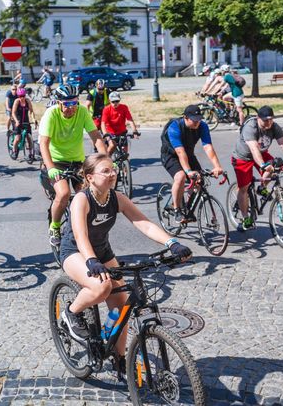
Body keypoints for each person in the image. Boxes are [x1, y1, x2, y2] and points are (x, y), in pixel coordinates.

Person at [59, 153, 193, 362]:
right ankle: (72, 313)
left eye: (113, 169)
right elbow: (80, 235)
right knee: (101, 287)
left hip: (103, 253)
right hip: (75, 252)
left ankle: (119, 359)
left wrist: (172, 243)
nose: (112, 174)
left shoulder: (117, 198)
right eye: (105, 171)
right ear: (90, 177)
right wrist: (92, 261)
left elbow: (144, 223)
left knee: (121, 309)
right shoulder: (81, 199)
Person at [39, 84, 107, 247]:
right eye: (67, 104)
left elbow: (96, 137)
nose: (71, 108)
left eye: (74, 103)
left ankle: (85, 225)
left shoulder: (82, 111)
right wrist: (51, 168)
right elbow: (43, 143)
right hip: (56, 161)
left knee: (88, 194)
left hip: (77, 162)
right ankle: (55, 226)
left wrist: (106, 161)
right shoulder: (51, 114)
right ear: (58, 103)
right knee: (63, 193)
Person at [231, 105, 283, 231]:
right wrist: (263, 165)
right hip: (243, 157)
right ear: (258, 118)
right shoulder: (251, 127)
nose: (268, 123)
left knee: (277, 165)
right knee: (244, 187)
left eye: (270, 119)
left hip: (261, 153)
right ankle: (245, 218)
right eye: (265, 120)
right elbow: (254, 149)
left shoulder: (274, 126)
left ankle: (261, 187)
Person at [160, 105, 224, 223]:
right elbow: (180, 151)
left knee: (199, 181)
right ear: (185, 117)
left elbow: (208, 147)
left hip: (188, 154)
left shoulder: (202, 126)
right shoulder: (174, 127)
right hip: (170, 155)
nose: (197, 122)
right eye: (194, 120)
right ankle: (176, 210)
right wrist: (188, 171)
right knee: (180, 176)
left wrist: (217, 166)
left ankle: (187, 208)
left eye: (199, 119)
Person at [100, 91, 139, 156]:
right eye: (113, 101)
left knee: (125, 152)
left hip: (122, 132)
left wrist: (135, 131)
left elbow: (130, 120)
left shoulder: (124, 107)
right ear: (109, 101)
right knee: (112, 146)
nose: (115, 103)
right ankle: (106, 159)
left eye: (117, 101)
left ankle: (124, 161)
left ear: (120, 100)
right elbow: (103, 123)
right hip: (111, 133)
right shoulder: (106, 109)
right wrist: (105, 134)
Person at [11, 88, 38, 159]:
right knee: (18, 138)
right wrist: (16, 121)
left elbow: (31, 111)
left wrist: (33, 119)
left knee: (29, 137)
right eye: (20, 96)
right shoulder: (17, 101)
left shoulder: (27, 101)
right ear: (18, 96)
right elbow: (13, 113)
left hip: (26, 121)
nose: (22, 98)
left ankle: (31, 154)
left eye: (23, 96)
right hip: (17, 120)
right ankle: (14, 151)